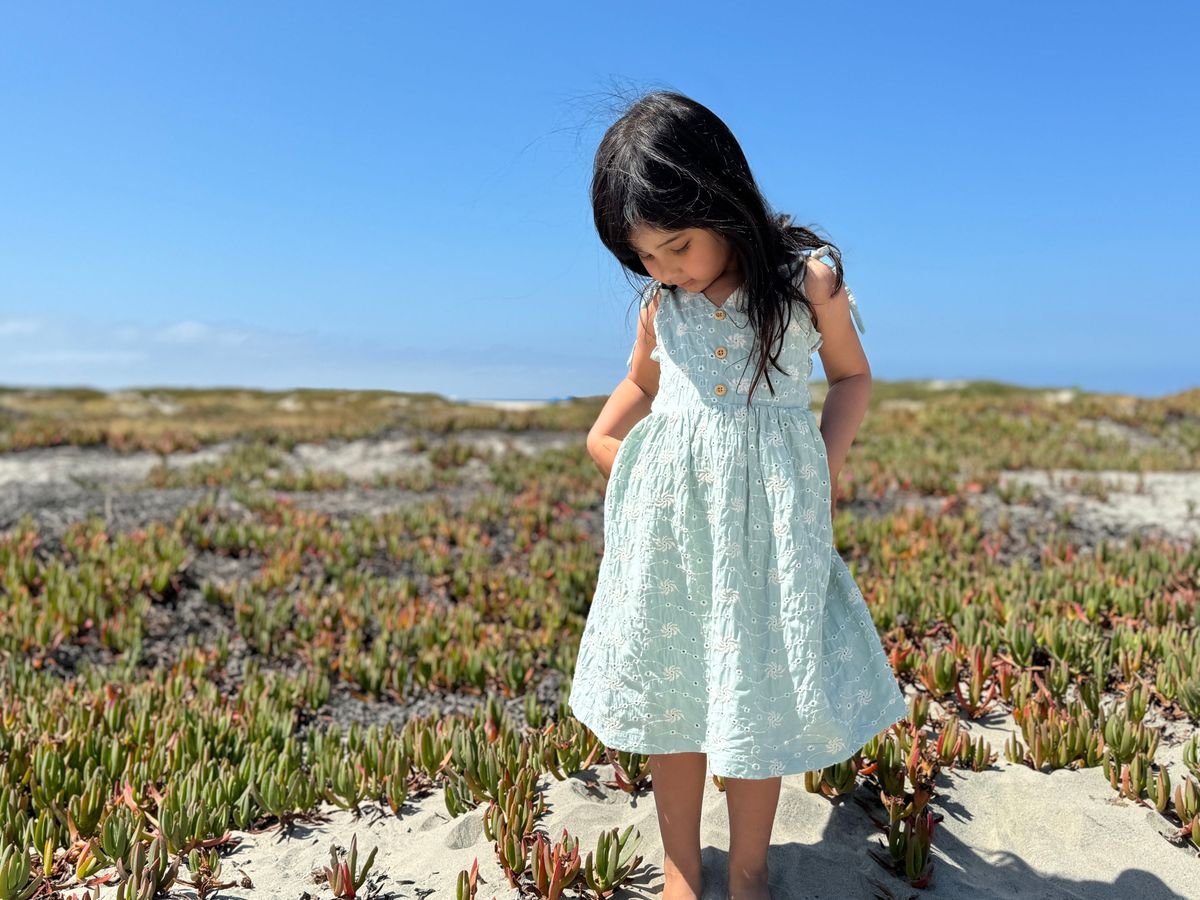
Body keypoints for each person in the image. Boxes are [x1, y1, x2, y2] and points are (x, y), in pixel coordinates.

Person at [566, 91, 909, 900]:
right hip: (674, 540)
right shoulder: (662, 309)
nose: (666, 269)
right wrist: (607, 447)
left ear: (720, 197)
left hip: (765, 535)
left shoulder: (803, 286)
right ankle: (684, 868)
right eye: (645, 256)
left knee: (755, 698)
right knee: (674, 700)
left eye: (677, 245)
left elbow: (852, 377)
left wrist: (819, 471)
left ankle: (750, 868)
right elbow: (633, 390)